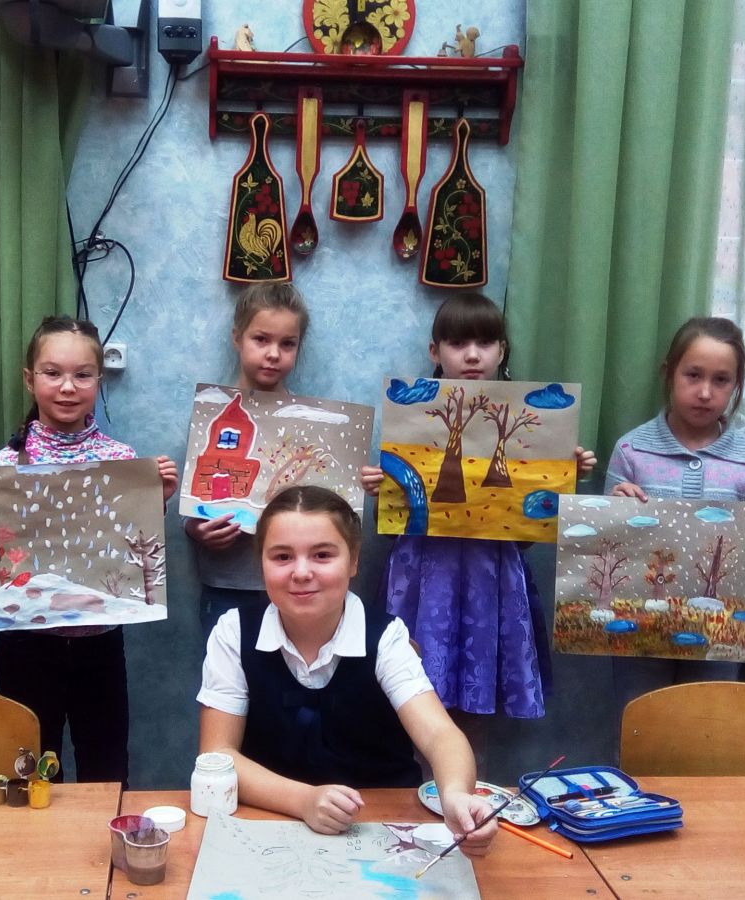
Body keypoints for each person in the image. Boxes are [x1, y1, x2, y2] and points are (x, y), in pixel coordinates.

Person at [0, 316, 178, 785]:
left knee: (106, 767)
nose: (68, 387)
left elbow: (130, 551)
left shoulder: (122, 461)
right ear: (30, 380)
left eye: (82, 375)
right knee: (30, 772)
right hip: (25, 647)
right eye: (52, 373)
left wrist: (156, 501)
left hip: (100, 646)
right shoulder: (4, 464)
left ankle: (100, 835)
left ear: (98, 380)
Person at [197, 485, 499, 853]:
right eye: (282, 557)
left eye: (322, 555)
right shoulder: (234, 631)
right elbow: (217, 754)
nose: (301, 572)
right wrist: (303, 800)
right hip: (267, 824)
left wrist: (454, 795)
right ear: (261, 563)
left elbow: (440, 735)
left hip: (379, 827)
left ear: (353, 561)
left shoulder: (387, 636)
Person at [366, 293, 594, 721]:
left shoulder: (534, 424)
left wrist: (564, 478)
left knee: (480, 690)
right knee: (411, 687)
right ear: (435, 351)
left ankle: (467, 766)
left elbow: (526, 535)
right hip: (423, 573)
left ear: (502, 351)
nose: (472, 355)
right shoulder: (411, 418)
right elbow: (395, 521)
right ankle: (420, 765)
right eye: (457, 343)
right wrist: (381, 490)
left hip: (493, 574)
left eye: (485, 343)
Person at [604, 317, 745, 697]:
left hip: (718, 630)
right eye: (693, 375)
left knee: (706, 721)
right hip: (640, 625)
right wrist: (615, 509)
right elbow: (606, 543)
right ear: (669, 374)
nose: (705, 392)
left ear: (736, 385)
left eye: (721, 380)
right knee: (640, 719)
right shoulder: (631, 450)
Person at [186, 285, 378, 640]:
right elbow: (193, 498)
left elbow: (335, 508)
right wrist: (196, 530)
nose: (273, 354)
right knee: (230, 673)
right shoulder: (210, 415)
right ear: (237, 338)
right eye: (261, 339)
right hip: (230, 584)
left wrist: (359, 485)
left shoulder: (316, 427)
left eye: (287, 344)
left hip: (302, 587)